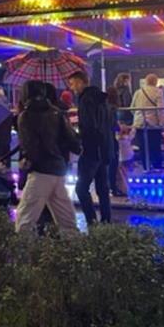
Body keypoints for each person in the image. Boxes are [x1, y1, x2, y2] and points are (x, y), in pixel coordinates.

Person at [15, 80, 81, 234]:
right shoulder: (56, 113)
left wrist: (26, 162)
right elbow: (71, 139)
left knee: (25, 219)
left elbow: (29, 145)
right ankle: (74, 245)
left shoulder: (26, 116)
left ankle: (23, 248)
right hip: (58, 167)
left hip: (40, 170)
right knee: (66, 219)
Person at [68, 71, 113, 225]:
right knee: (102, 188)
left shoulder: (85, 100)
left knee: (81, 189)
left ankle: (92, 221)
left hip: (91, 149)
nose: (72, 88)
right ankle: (106, 221)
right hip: (104, 148)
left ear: (80, 82)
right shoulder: (102, 99)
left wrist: (78, 136)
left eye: (73, 84)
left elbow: (89, 126)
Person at [130, 74, 164, 171]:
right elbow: (160, 109)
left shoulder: (138, 92)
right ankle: (157, 165)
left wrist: (137, 116)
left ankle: (145, 166)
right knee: (155, 145)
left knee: (142, 145)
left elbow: (132, 107)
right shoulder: (158, 92)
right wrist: (163, 123)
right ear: (156, 81)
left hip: (139, 122)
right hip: (153, 123)